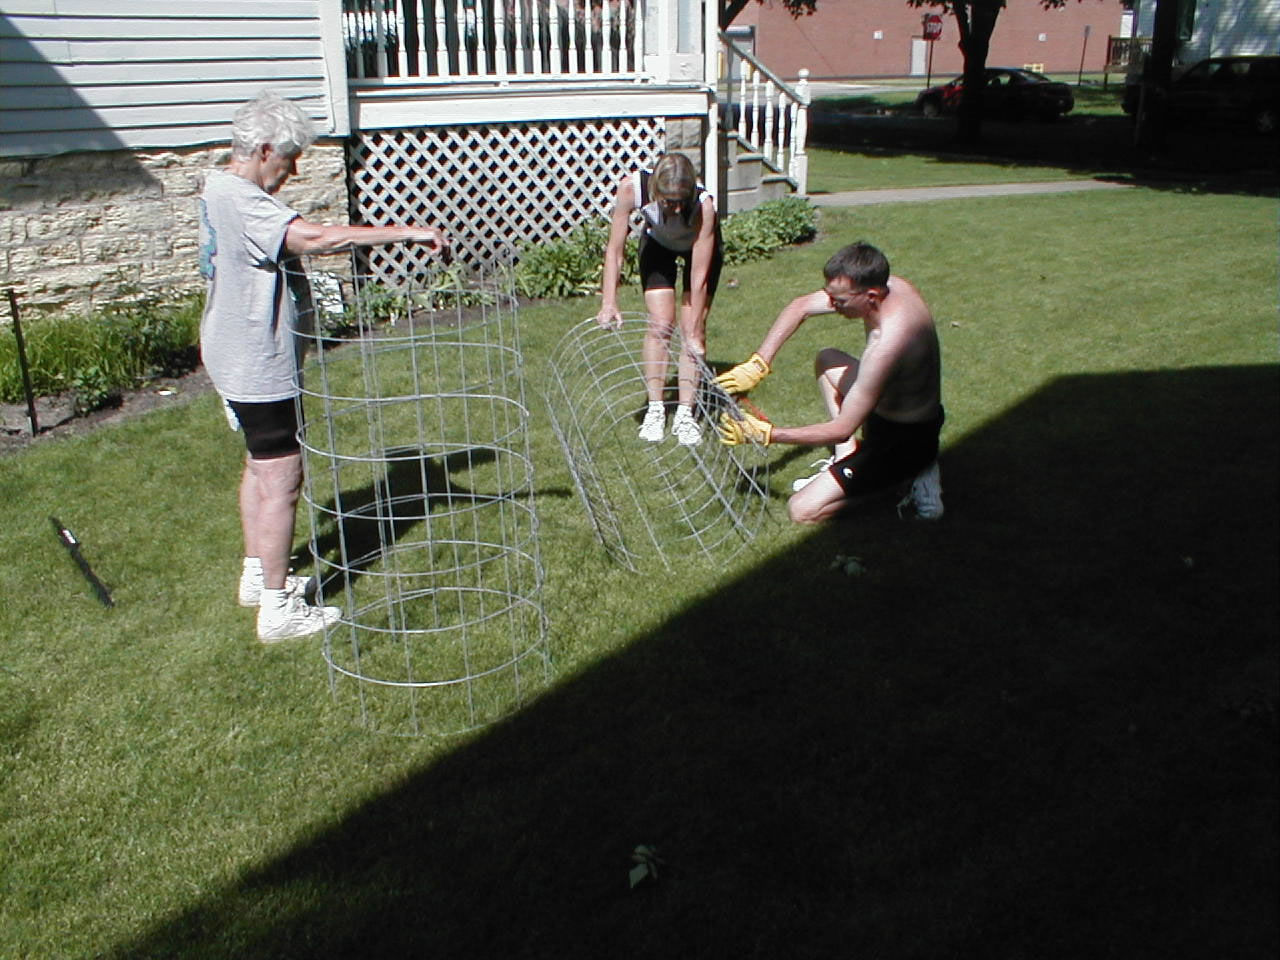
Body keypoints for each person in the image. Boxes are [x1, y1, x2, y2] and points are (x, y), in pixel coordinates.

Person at [198, 91, 447, 642]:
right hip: (255, 360)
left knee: (259, 466)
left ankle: (258, 575)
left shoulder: (218, 186)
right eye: (289, 159)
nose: (293, 170)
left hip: (230, 350)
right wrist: (407, 232)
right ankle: (278, 609)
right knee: (283, 478)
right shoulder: (244, 200)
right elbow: (313, 238)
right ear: (265, 149)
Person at [715, 241, 944, 525]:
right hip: (888, 405)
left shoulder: (888, 343)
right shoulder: (888, 286)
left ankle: (910, 476)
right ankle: (845, 458)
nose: (832, 306)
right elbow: (801, 306)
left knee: (802, 510)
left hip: (904, 438)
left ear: (871, 296)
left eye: (840, 301)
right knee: (828, 360)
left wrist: (767, 435)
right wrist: (759, 363)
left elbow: (842, 428)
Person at [596, 152, 722, 445]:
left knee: (692, 332)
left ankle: (685, 415)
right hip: (657, 246)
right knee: (660, 325)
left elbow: (699, 277)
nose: (676, 209)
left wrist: (695, 329)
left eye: (681, 201)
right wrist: (609, 302)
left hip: (698, 251)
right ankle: (655, 409)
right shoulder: (631, 189)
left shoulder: (704, 206)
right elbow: (615, 250)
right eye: (668, 202)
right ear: (655, 189)